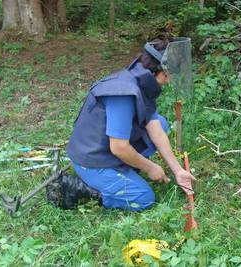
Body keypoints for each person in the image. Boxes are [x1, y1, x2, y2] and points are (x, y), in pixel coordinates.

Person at [62, 37, 196, 211]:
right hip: (92, 159)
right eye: (169, 76)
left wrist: (178, 170)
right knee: (143, 198)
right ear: (161, 72)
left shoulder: (141, 82)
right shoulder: (123, 94)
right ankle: (85, 190)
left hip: (107, 148)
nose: (169, 81)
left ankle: (125, 170)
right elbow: (119, 148)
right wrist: (150, 167)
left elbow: (156, 130)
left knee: (160, 124)